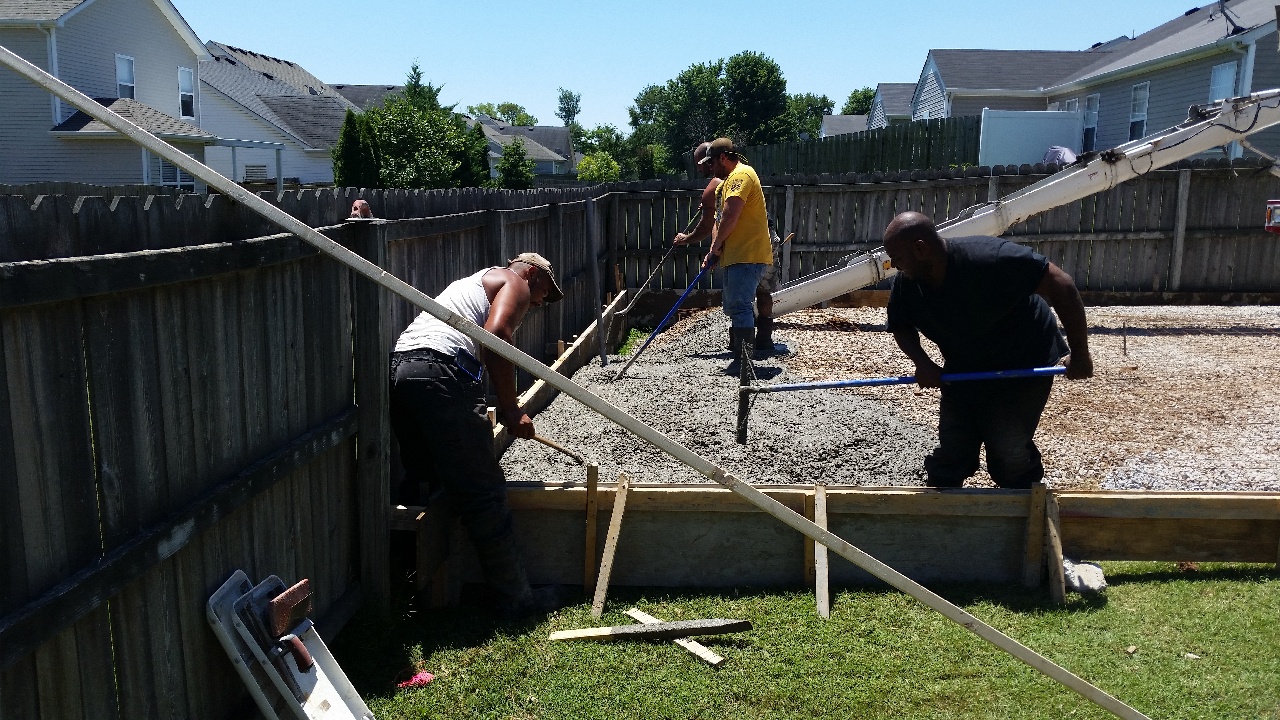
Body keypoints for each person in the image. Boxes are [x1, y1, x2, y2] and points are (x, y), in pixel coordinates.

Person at [389, 252, 567, 617]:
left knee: (425, 480)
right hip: (441, 368)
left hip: (404, 367)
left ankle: (407, 594)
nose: (539, 303)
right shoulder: (515, 281)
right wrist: (511, 409)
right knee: (484, 490)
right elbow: (496, 336)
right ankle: (517, 600)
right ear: (533, 274)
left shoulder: (471, 285)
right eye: (543, 294)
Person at [882, 212, 1093, 489]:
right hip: (965, 364)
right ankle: (942, 501)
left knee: (1008, 450)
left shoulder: (989, 259)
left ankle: (1023, 498)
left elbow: (1060, 283)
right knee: (955, 445)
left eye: (897, 258)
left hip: (1022, 361)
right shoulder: (908, 283)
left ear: (920, 249)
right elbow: (900, 325)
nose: (894, 266)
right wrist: (922, 363)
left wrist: (1080, 354)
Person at [697, 137, 774, 362]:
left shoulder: (742, 175)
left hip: (748, 255)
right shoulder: (725, 184)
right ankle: (742, 357)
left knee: (740, 306)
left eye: (712, 163)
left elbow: (730, 217)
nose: (710, 169)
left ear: (723, 158)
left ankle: (744, 362)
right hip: (736, 255)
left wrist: (715, 247)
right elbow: (719, 220)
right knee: (733, 306)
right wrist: (714, 249)